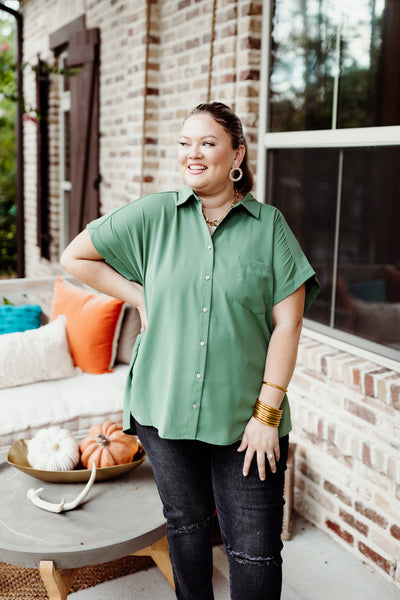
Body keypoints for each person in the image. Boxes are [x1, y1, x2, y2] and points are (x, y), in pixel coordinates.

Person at [61, 102, 319, 600]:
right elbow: (77, 256)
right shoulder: (155, 215)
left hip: (248, 422)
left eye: (206, 142)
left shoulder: (269, 228)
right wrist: (141, 295)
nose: (192, 153)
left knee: (255, 549)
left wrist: (267, 415)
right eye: (184, 143)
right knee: (186, 528)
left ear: (237, 154)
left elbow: (289, 323)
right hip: (164, 407)